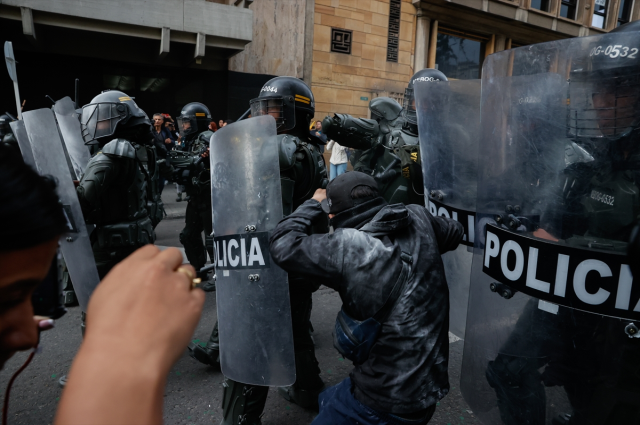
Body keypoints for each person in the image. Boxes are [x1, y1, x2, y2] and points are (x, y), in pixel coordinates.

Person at [269, 171, 464, 424]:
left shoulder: (346, 246)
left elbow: (282, 244)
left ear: (332, 215)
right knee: (327, 398)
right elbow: (454, 231)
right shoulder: (418, 216)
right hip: (428, 388)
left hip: (384, 400)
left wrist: (312, 203)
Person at [190, 76, 329, 425]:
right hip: (301, 256)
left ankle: (240, 417)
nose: (266, 114)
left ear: (296, 111)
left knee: (255, 338)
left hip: (270, 258)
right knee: (295, 326)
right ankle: (308, 390)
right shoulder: (308, 148)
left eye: (275, 108)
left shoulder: (280, 149)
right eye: (264, 107)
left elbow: (266, 214)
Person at [323, 69, 448, 206]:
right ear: (411, 100)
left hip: (434, 213)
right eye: (419, 101)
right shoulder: (389, 130)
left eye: (433, 102)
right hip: (386, 210)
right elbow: (362, 157)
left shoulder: (452, 139)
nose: (425, 107)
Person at [174, 102, 215, 283]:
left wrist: (208, 155)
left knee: (213, 241)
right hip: (195, 197)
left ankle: (220, 276)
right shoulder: (189, 140)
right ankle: (199, 269)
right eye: (183, 122)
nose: (184, 126)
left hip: (210, 198)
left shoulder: (208, 138)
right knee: (188, 236)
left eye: (187, 122)